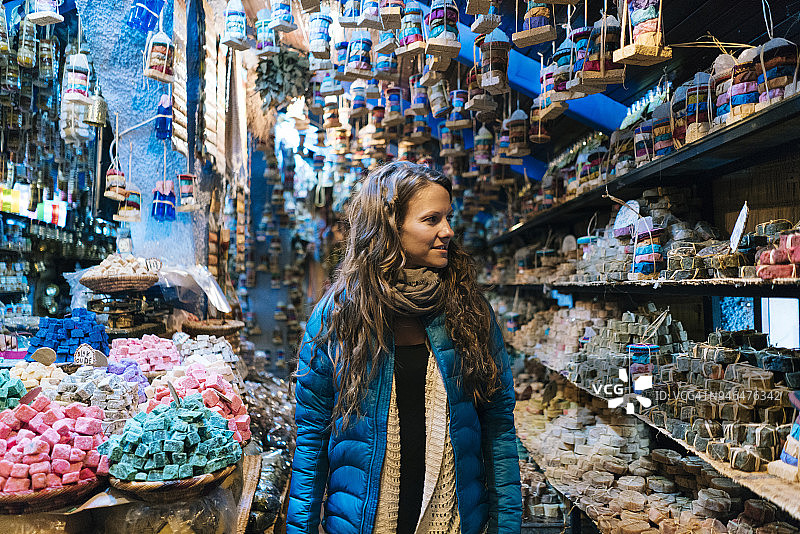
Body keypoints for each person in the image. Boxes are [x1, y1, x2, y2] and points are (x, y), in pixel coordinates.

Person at [287, 161, 521, 534]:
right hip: (362, 523)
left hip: (452, 522)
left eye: (448, 217)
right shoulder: (339, 316)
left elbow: (498, 429)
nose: (448, 231)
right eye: (431, 220)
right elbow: (312, 435)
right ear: (390, 227)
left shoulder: (471, 313)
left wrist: (507, 526)